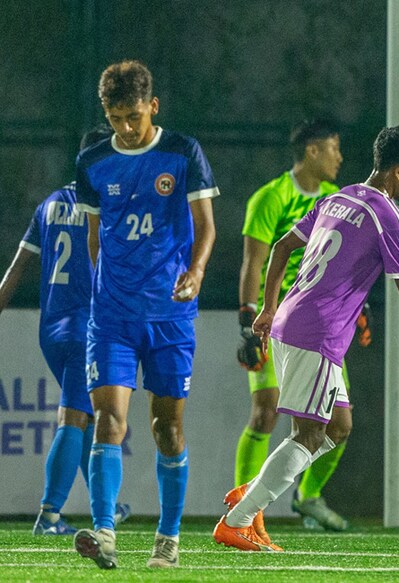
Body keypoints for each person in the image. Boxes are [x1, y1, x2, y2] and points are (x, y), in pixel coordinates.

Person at [213, 126, 399, 551]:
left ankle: (249, 494)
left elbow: (283, 247)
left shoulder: (336, 198)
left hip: (293, 320)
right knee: (306, 435)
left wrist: (269, 308)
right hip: (317, 332)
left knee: (338, 427)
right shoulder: (389, 219)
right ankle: (238, 519)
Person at [71, 60, 218, 569]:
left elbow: (206, 228)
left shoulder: (182, 153)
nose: (127, 129)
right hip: (111, 316)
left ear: (152, 106)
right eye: (116, 119)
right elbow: (94, 238)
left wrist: (196, 271)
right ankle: (105, 533)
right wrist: (103, 290)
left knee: (166, 429)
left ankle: (168, 538)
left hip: (170, 316)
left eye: (134, 116)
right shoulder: (91, 162)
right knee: (109, 420)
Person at [0, 127, 130, 536]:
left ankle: (104, 504)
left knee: (86, 415)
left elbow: (18, 266)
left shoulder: (51, 203)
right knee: (74, 417)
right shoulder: (110, 204)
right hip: (87, 329)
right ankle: (49, 515)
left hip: (51, 329)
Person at [235, 118, 353, 531]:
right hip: (277, 322)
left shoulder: (336, 199)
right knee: (266, 412)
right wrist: (248, 321)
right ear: (313, 151)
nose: (340, 157)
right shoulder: (271, 197)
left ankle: (310, 497)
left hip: (322, 326)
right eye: (334, 148)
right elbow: (254, 261)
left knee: (338, 424)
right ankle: (246, 506)